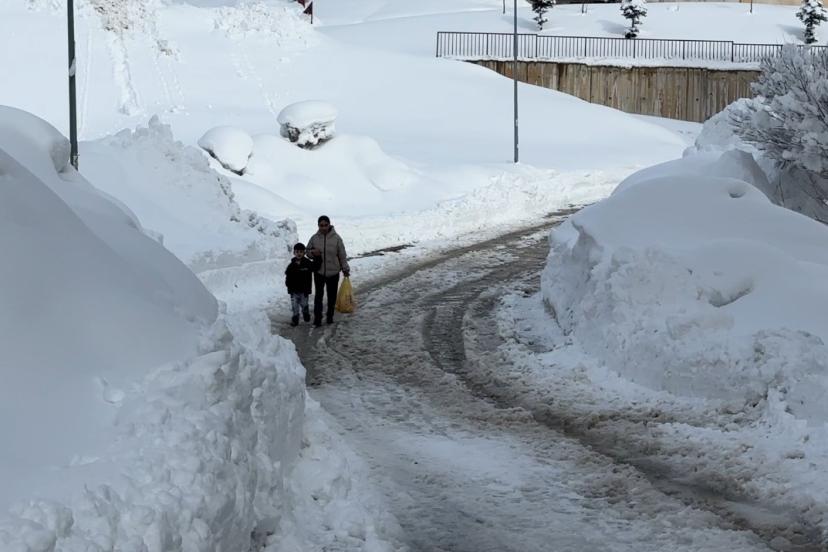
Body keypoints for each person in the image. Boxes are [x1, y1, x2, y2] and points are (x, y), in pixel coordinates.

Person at [307, 215, 350, 326]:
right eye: (321, 225)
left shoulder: (337, 238)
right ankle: (317, 319)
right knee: (318, 296)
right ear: (318, 226)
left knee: (332, 297)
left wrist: (345, 268)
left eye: (326, 225)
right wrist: (312, 253)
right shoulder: (314, 238)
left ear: (329, 225)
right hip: (319, 272)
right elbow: (307, 251)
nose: (323, 227)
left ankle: (329, 317)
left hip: (333, 272)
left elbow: (342, 255)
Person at [284, 242, 319, 326]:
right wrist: (288, 285)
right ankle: (295, 319)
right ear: (294, 253)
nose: (299, 253)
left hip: (304, 290)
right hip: (294, 290)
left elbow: (315, 267)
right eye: (297, 252)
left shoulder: (308, 263)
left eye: (301, 252)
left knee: (304, 304)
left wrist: (317, 257)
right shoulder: (291, 265)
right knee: (295, 306)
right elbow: (288, 276)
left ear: (304, 253)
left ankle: (305, 313)